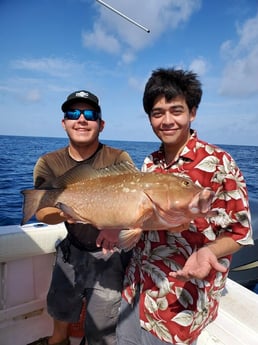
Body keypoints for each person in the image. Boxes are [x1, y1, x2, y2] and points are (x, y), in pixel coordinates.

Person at [116, 68, 253, 345]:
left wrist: (208, 252)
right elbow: (143, 218)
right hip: (136, 288)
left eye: (176, 110)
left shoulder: (220, 163)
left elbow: (241, 232)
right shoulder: (149, 163)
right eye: (157, 113)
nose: (167, 121)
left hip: (179, 303)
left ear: (192, 112)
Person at [28, 90, 134, 345]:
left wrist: (114, 226)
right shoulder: (49, 162)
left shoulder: (119, 158)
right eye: (73, 113)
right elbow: (42, 210)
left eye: (90, 114)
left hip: (111, 254)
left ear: (101, 124)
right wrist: (67, 213)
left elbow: (132, 201)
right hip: (71, 251)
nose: (82, 119)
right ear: (64, 122)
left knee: (102, 332)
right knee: (60, 317)